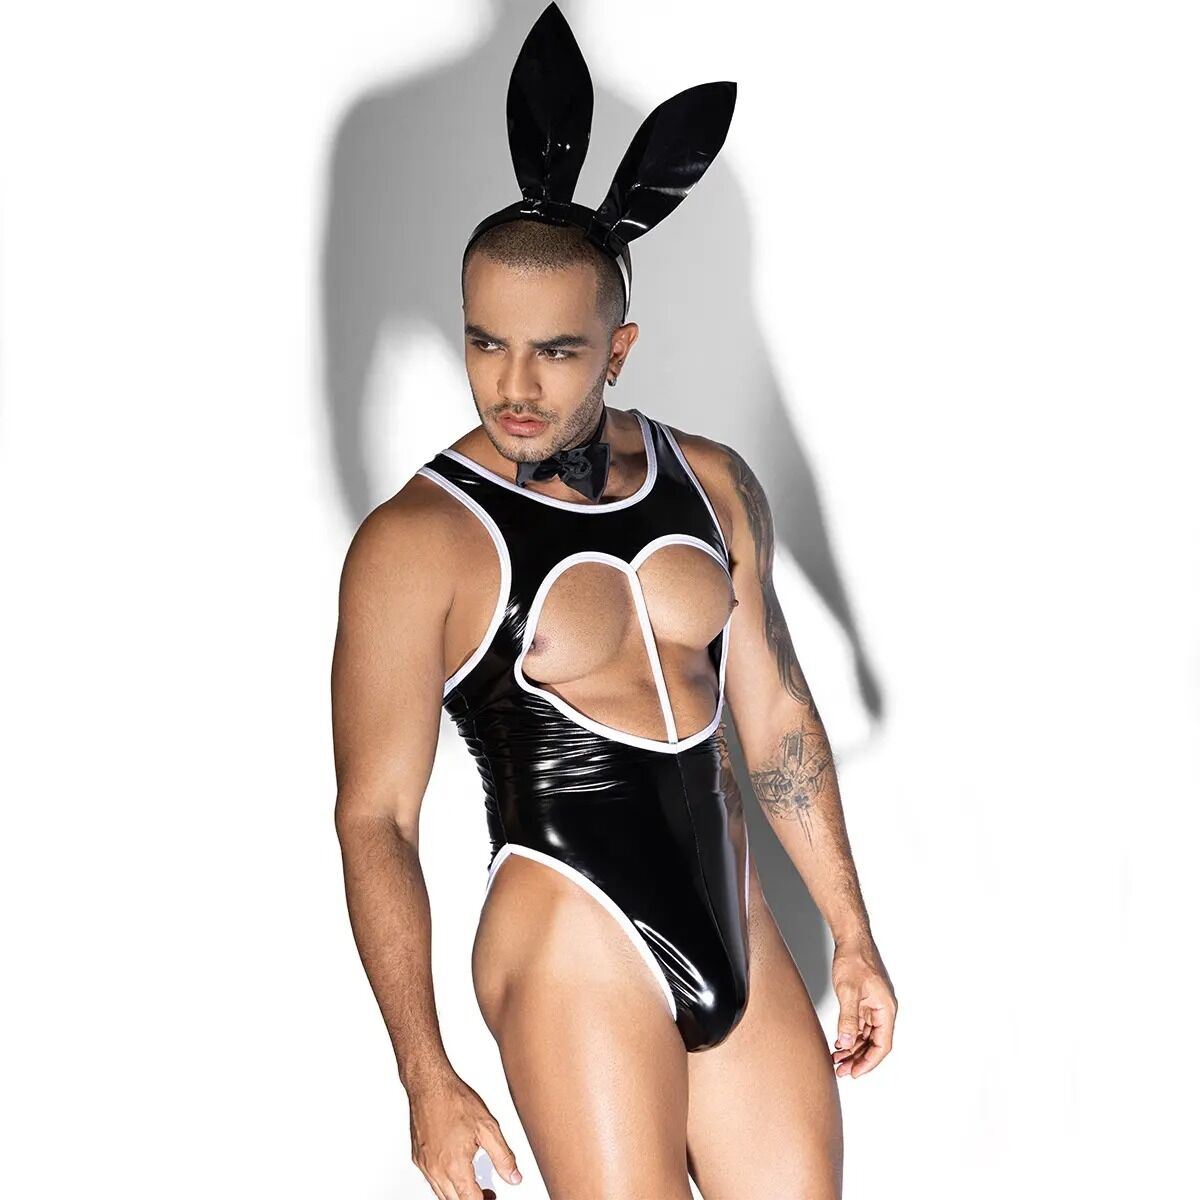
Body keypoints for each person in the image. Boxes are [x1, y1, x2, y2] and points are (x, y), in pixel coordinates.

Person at [331, 6, 896, 1198]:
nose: (514, 387)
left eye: (556, 352)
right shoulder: (417, 543)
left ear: (619, 347)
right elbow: (375, 816)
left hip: (733, 919)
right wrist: (426, 1076)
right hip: (568, 926)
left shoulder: (715, 482)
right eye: (486, 345)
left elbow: (776, 719)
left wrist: (850, 930)